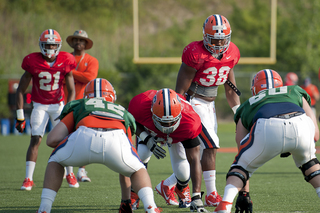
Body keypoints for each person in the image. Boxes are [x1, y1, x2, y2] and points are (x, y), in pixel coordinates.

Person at [36, 78, 161, 213]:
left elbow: (52, 140)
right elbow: (127, 148)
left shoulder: (81, 105)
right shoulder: (121, 110)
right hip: (116, 139)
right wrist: (125, 201)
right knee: (137, 169)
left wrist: (72, 139)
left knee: (55, 160)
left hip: (84, 135)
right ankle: (150, 206)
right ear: (112, 96)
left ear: (87, 95)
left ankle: (44, 208)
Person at [214, 69, 320, 213]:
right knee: (310, 164)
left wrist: (244, 193)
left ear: (255, 89)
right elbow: (316, 134)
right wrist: (294, 146)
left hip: (267, 126)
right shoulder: (294, 90)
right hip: (300, 124)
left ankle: (225, 204)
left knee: (241, 166)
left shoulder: (247, 104)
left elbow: (241, 146)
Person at [175, 14, 241, 207]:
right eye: (215, 39)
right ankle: (211, 194)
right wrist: (182, 111)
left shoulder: (232, 52)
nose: (219, 43)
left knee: (202, 150)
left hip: (210, 105)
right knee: (211, 145)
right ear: (205, 36)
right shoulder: (195, 53)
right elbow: (180, 90)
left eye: (223, 39)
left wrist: (238, 111)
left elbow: (230, 88)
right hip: (193, 102)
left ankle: (169, 184)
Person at [122, 88, 208, 212]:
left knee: (183, 173)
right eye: (163, 122)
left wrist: (197, 196)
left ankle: (182, 188)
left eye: (171, 122)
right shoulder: (140, 105)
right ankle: (134, 193)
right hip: (150, 131)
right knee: (142, 154)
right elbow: (132, 121)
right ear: (151, 112)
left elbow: (194, 159)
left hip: (178, 134)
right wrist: (146, 138)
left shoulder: (190, 121)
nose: (167, 127)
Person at [16, 29, 76, 191]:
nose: (50, 48)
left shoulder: (66, 60)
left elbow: (71, 91)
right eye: (47, 45)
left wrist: (68, 110)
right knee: (36, 139)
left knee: (66, 139)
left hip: (58, 105)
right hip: (40, 105)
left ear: (59, 46)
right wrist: (20, 116)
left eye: (53, 45)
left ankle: (70, 174)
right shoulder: (32, 61)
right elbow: (20, 90)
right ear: (41, 45)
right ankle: (28, 179)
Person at [63, 29, 99, 184]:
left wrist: (69, 72)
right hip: (64, 102)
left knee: (85, 136)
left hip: (84, 103)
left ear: (86, 43)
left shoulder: (91, 60)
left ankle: (81, 170)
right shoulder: (64, 58)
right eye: (76, 40)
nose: (79, 43)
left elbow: (90, 77)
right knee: (65, 137)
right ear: (72, 42)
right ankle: (67, 170)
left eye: (82, 40)